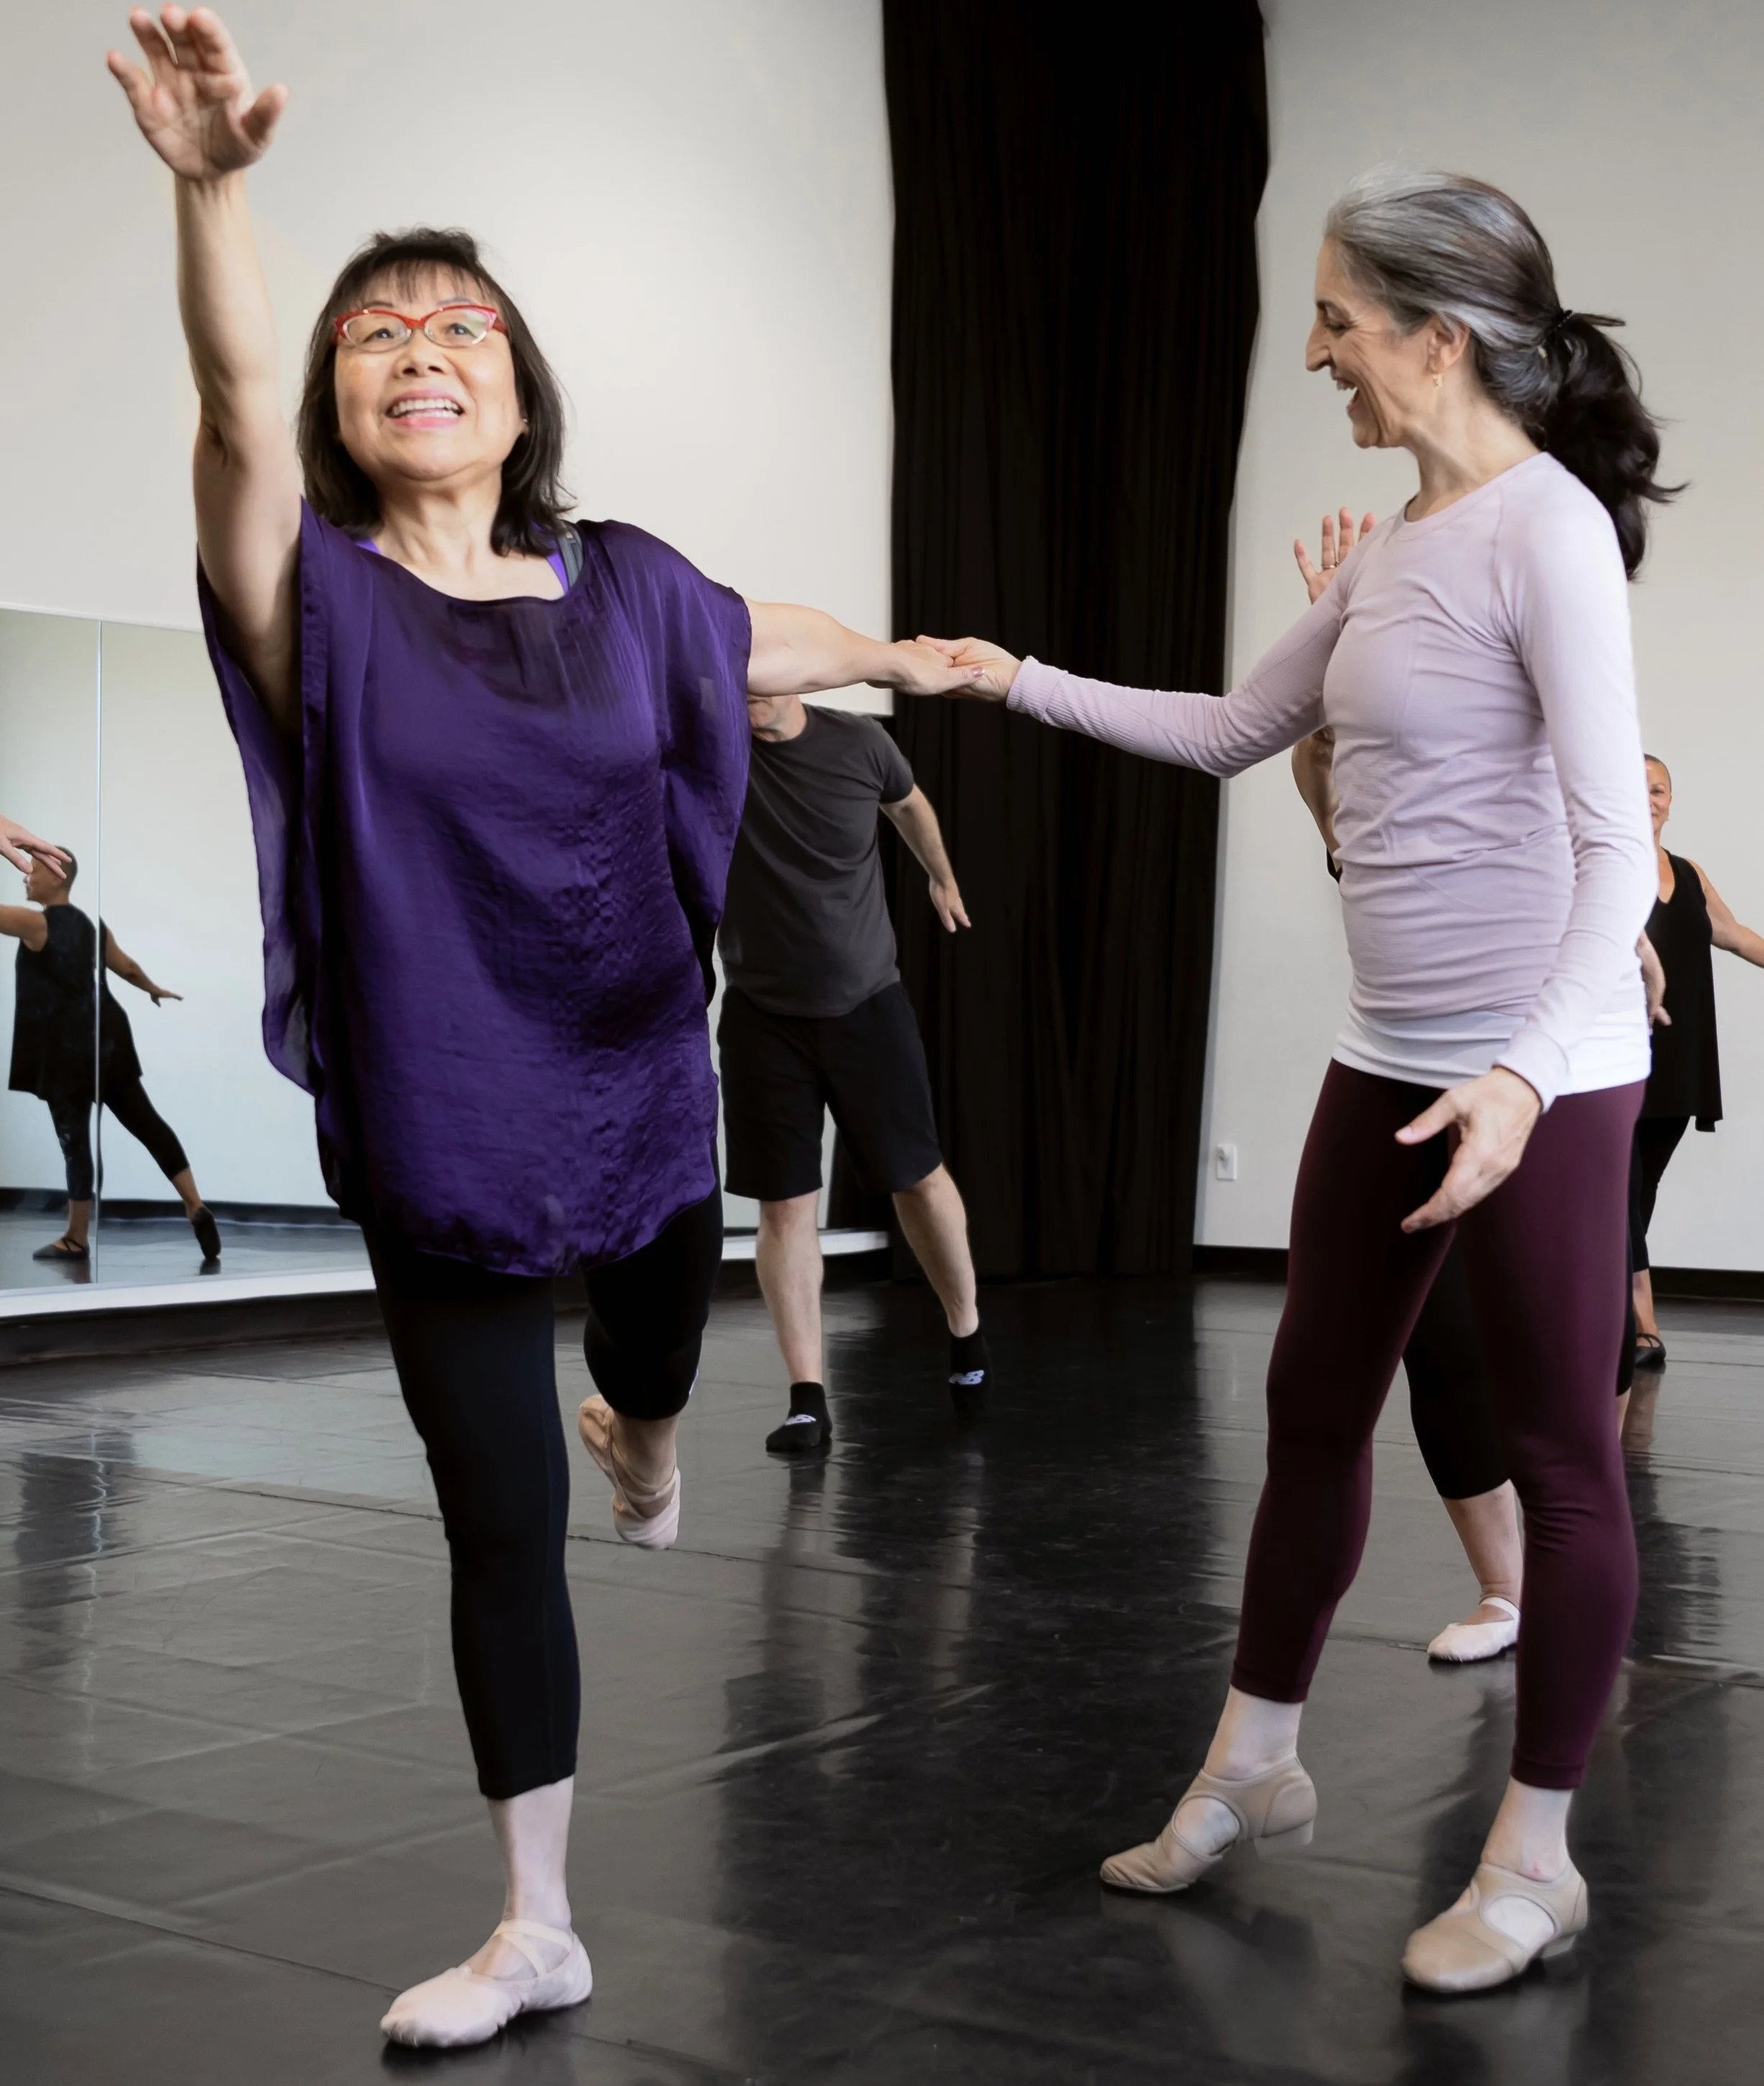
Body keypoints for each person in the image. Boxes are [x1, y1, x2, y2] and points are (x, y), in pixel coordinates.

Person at [109, 4, 980, 2051]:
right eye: (377, 334)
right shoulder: (303, 591)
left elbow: (769, 630)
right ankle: (537, 1920)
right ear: (345, 399)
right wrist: (218, 191)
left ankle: (655, 1423)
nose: (421, 350)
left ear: (521, 395)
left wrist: (916, 654)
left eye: (464, 328)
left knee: (663, 1354)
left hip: (629, 1088)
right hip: (437, 1111)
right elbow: (232, 403)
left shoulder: (629, 586)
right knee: (500, 1519)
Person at [919, 167, 1672, 1992]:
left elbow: (1609, 859)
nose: (1316, 343)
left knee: (1563, 1461)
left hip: (1544, 1077)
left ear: (1434, 333)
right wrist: (1009, 677)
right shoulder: (1400, 546)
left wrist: (1516, 1076)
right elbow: (1236, 730)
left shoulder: (1546, 530)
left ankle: (1535, 1857)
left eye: (1338, 313)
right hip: (1388, 1056)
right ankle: (1254, 1762)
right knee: (1313, 1407)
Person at [1291, 512, 1663, 1662]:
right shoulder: (1391, 775)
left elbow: (1613, 869)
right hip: (1417, 1064)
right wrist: (1334, 649)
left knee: (1569, 1358)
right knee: (1439, 1346)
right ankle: (1508, 1588)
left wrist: (1627, 957)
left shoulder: (1557, 681)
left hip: (1557, 1074)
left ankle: (1565, 1589)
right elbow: (1322, 789)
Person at [718, 684, 988, 1452]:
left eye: (764, 678)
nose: (749, 695)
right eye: (736, 680)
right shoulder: (717, 748)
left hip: (867, 1004)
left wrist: (939, 873)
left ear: (799, 675)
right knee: (785, 1207)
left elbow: (909, 804)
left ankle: (965, 1332)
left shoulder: (860, 742)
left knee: (918, 1177)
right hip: (762, 1016)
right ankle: (808, 1398)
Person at [1, 848, 219, 1265]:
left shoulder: (36, 923)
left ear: (57, 876)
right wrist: (153, 988)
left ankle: (76, 1237)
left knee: (74, 1140)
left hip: (66, 1049)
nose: (25, 875)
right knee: (147, 1122)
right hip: (109, 1038)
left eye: (33, 869)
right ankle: (194, 1203)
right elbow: (129, 967)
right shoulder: (92, 924)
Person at [1629, 753, 1764, 1369]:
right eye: (1638, 788)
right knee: (1621, 1187)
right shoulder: (1595, 863)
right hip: (1615, 1057)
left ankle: (1610, 1301)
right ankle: (1640, 1317)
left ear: (1671, 799)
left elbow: (1735, 934)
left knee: (1639, 1188)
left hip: (1680, 1058)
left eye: (1659, 789)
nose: (1649, 798)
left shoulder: (1687, 871)